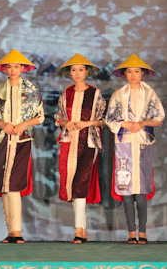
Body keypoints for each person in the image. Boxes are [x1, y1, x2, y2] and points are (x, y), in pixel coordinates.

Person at [0, 48, 44, 244]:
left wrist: (24, 124)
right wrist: (2, 124)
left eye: (16, 67)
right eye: (9, 67)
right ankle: (11, 231)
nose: (13, 70)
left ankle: (16, 231)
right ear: (5, 69)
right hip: (1, 140)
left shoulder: (31, 91)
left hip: (22, 141)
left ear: (22, 68)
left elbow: (40, 117)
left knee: (14, 184)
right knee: (4, 185)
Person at [105, 53, 164, 244]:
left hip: (143, 143)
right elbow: (110, 119)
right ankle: (131, 232)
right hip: (124, 143)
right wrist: (124, 123)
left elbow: (159, 118)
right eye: (129, 71)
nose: (132, 75)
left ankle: (143, 231)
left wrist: (142, 123)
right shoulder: (118, 94)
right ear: (125, 74)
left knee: (142, 188)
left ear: (142, 73)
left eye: (136, 71)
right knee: (126, 187)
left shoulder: (150, 94)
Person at [55, 52, 106, 243]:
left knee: (81, 183)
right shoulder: (66, 93)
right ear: (70, 73)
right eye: (74, 70)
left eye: (81, 70)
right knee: (70, 184)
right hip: (69, 143)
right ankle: (81, 229)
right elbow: (59, 117)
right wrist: (65, 123)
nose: (77, 73)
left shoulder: (95, 94)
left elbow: (103, 120)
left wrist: (87, 123)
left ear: (87, 72)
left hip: (89, 143)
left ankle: (78, 230)